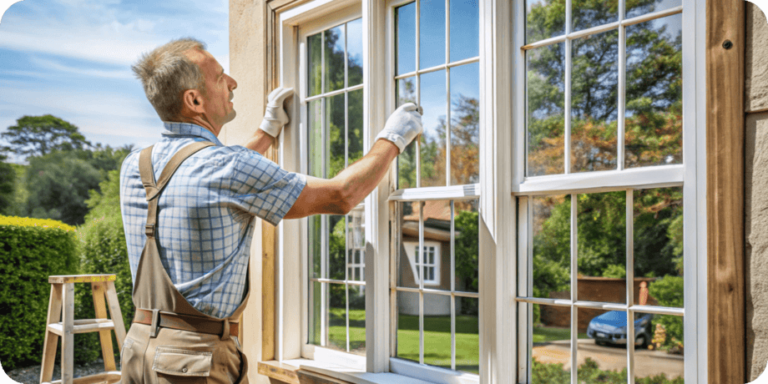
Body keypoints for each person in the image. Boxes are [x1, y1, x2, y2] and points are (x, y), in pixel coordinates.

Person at [118, 38, 422, 383]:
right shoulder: (228, 168)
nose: (232, 82)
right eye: (220, 78)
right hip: (193, 362)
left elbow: (208, 177)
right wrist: (393, 137)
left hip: (138, 351)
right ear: (194, 100)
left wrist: (266, 132)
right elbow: (342, 195)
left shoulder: (135, 165)